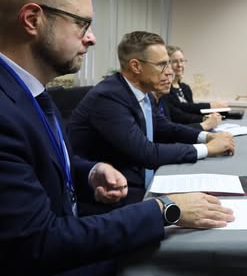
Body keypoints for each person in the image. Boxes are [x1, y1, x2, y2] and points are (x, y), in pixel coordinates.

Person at [0, 0, 234, 276]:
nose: (91, 38)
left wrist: (90, 171)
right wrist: (166, 209)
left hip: (66, 258)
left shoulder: (30, 92)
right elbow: (39, 243)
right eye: (82, 24)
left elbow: (39, 163)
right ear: (33, 20)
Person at [68, 31, 235, 214]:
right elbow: (146, 153)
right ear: (136, 66)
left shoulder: (139, 94)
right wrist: (208, 149)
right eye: (162, 64)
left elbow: (165, 128)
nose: (170, 71)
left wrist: (206, 136)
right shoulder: (108, 97)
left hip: (137, 183)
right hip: (112, 198)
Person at [164, 45, 228, 119]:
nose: (180, 65)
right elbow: (180, 109)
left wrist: (218, 114)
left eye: (182, 61)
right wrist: (210, 107)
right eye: (175, 61)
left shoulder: (185, 88)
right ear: (166, 64)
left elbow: (191, 110)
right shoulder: (165, 88)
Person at [152, 70, 221, 131]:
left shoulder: (163, 99)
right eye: (165, 75)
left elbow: (178, 115)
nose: (169, 80)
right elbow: (167, 131)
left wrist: (205, 119)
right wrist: (204, 124)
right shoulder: (154, 100)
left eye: (170, 76)